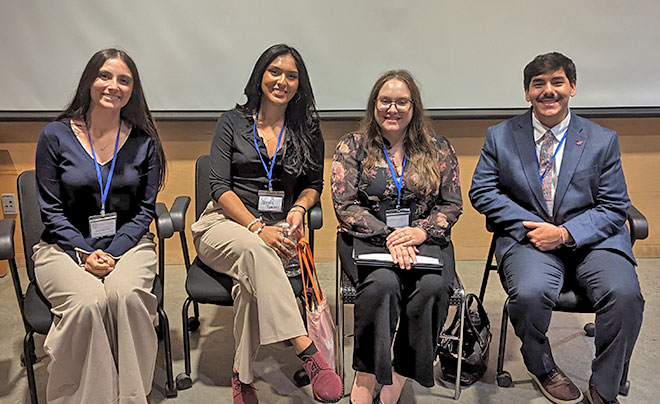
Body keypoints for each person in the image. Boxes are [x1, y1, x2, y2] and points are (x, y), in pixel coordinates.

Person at [469, 52, 644, 404]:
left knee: (626, 296)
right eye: (538, 84)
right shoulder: (500, 136)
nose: (548, 91)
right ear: (526, 92)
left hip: (594, 241)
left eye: (557, 82)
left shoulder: (601, 139)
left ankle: (604, 387)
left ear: (573, 87)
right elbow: (482, 191)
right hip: (529, 239)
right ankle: (543, 366)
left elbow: (613, 205)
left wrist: (565, 234)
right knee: (530, 294)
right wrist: (533, 227)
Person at [190, 44, 342, 404]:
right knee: (256, 250)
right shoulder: (232, 122)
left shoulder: (307, 129)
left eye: (292, 76)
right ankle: (306, 348)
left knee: (249, 280)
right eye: (275, 71)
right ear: (260, 76)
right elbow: (219, 187)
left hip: (278, 230)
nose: (282, 81)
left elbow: (313, 185)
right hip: (223, 223)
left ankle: (242, 379)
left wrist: (300, 209)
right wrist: (257, 228)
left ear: (299, 85)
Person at [33, 48, 167, 403]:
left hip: (129, 244)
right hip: (63, 247)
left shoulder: (144, 142)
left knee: (125, 298)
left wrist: (114, 250)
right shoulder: (54, 136)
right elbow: (51, 211)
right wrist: (84, 252)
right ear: (89, 81)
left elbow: (144, 211)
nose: (113, 86)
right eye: (104, 76)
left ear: (133, 89)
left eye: (124, 80)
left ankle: (133, 396)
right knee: (88, 303)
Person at [331, 70, 462, 404]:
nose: (393, 109)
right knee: (382, 286)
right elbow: (344, 204)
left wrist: (419, 232)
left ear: (413, 106)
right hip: (368, 240)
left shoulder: (439, 148)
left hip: (426, 240)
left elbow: (451, 203)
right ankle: (365, 376)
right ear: (374, 105)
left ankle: (397, 380)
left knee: (432, 289)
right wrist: (392, 237)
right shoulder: (353, 146)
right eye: (385, 101)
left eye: (401, 102)